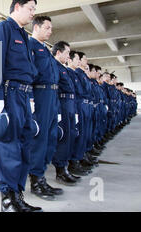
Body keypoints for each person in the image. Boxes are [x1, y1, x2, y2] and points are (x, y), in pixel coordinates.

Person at [0, 0, 42, 212]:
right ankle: (7, 201)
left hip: (23, 96)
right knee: (8, 147)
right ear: (17, 7)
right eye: (31, 8)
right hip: (7, 95)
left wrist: (30, 99)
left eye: (34, 9)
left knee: (24, 148)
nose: (33, 13)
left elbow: (29, 71)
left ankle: (17, 196)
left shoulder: (25, 38)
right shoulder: (3, 29)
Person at [28, 16, 63, 200]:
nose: (50, 31)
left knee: (50, 138)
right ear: (36, 27)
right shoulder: (30, 46)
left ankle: (41, 178)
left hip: (51, 96)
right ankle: (35, 181)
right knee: (39, 139)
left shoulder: (45, 49)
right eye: (47, 28)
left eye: (51, 28)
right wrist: (32, 101)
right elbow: (28, 74)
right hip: (40, 96)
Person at [50, 41, 79, 186]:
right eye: (67, 53)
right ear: (58, 52)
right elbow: (55, 89)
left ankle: (65, 167)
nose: (69, 56)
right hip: (61, 103)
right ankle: (60, 171)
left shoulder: (63, 68)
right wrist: (58, 110)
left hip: (69, 104)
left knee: (70, 136)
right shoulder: (53, 66)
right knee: (62, 137)